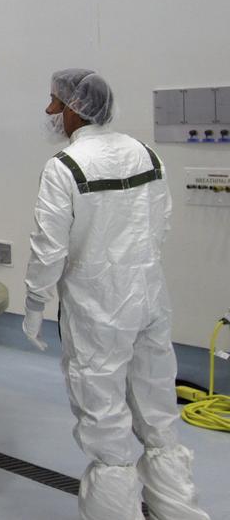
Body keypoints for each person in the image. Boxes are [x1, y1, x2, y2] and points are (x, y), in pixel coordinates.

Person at [23, 70, 209, 520]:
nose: (49, 112)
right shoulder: (146, 152)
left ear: (72, 108)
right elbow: (161, 222)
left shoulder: (64, 167)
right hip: (148, 297)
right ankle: (178, 510)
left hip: (96, 308)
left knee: (105, 422)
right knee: (158, 411)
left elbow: (49, 248)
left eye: (53, 102)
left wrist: (33, 305)